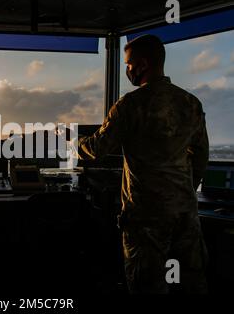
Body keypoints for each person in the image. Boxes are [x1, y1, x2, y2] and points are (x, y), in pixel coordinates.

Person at [78, 34, 209, 293]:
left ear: (143, 64)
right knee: (190, 285)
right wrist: (184, 191)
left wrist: (76, 142)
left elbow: (97, 150)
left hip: (146, 217)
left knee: (147, 286)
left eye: (128, 64)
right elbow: (201, 155)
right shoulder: (190, 103)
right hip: (185, 213)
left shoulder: (130, 105)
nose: (127, 70)